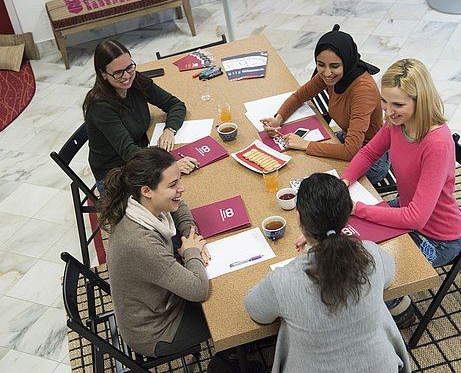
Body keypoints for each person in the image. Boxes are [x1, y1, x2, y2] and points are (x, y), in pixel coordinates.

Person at [98, 147, 262, 372]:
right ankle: (228, 363)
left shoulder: (140, 203)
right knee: (236, 312)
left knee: (233, 290)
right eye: (173, 185)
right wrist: (191, 251)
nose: (181, 189)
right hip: (157, 330)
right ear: (147, 190)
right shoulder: (140, 244)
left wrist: (189, 235)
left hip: (163, 299)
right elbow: (197, 290)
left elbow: (179, 205)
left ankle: (236, 351)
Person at [341, 58, 461, 327]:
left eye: (398, 105)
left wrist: (356, 208)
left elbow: (415, 219)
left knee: (365, 270)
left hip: (438, 237)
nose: (388, 112)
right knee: (347, 239)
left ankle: (401, 307)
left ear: (420, 102)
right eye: (385, 101)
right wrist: (344, 182)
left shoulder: (437, 143)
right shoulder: (397, 123)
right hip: (406, 209)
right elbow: (370, 152)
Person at [244, 173, 410, 373]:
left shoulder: (284, 279)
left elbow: (255, 310)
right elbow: (389, 275)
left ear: (298, 218)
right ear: (347, 216)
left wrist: (307, 257)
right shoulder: (370, 253)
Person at [261, 24, 389, 185]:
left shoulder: (363, 90)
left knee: (310, 182)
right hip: (347, 139)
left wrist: (305, 144)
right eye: (320, 64)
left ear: (347, 61)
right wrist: (278, 119)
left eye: (335, 66)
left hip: (372, 160)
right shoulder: (331, 75)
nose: (327, 73)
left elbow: (351, 151)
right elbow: (300, 96)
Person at [83, 39, 198, 196]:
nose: (126, 76)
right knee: (175, 192)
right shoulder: (100, 106)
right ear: (103, 74)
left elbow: (175, 104)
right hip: (115, 175)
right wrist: (169, 166)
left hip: (142, 153)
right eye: (117, 73)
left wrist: (169, 130)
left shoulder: (135, 80)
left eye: (130, 67)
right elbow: (129, 152)